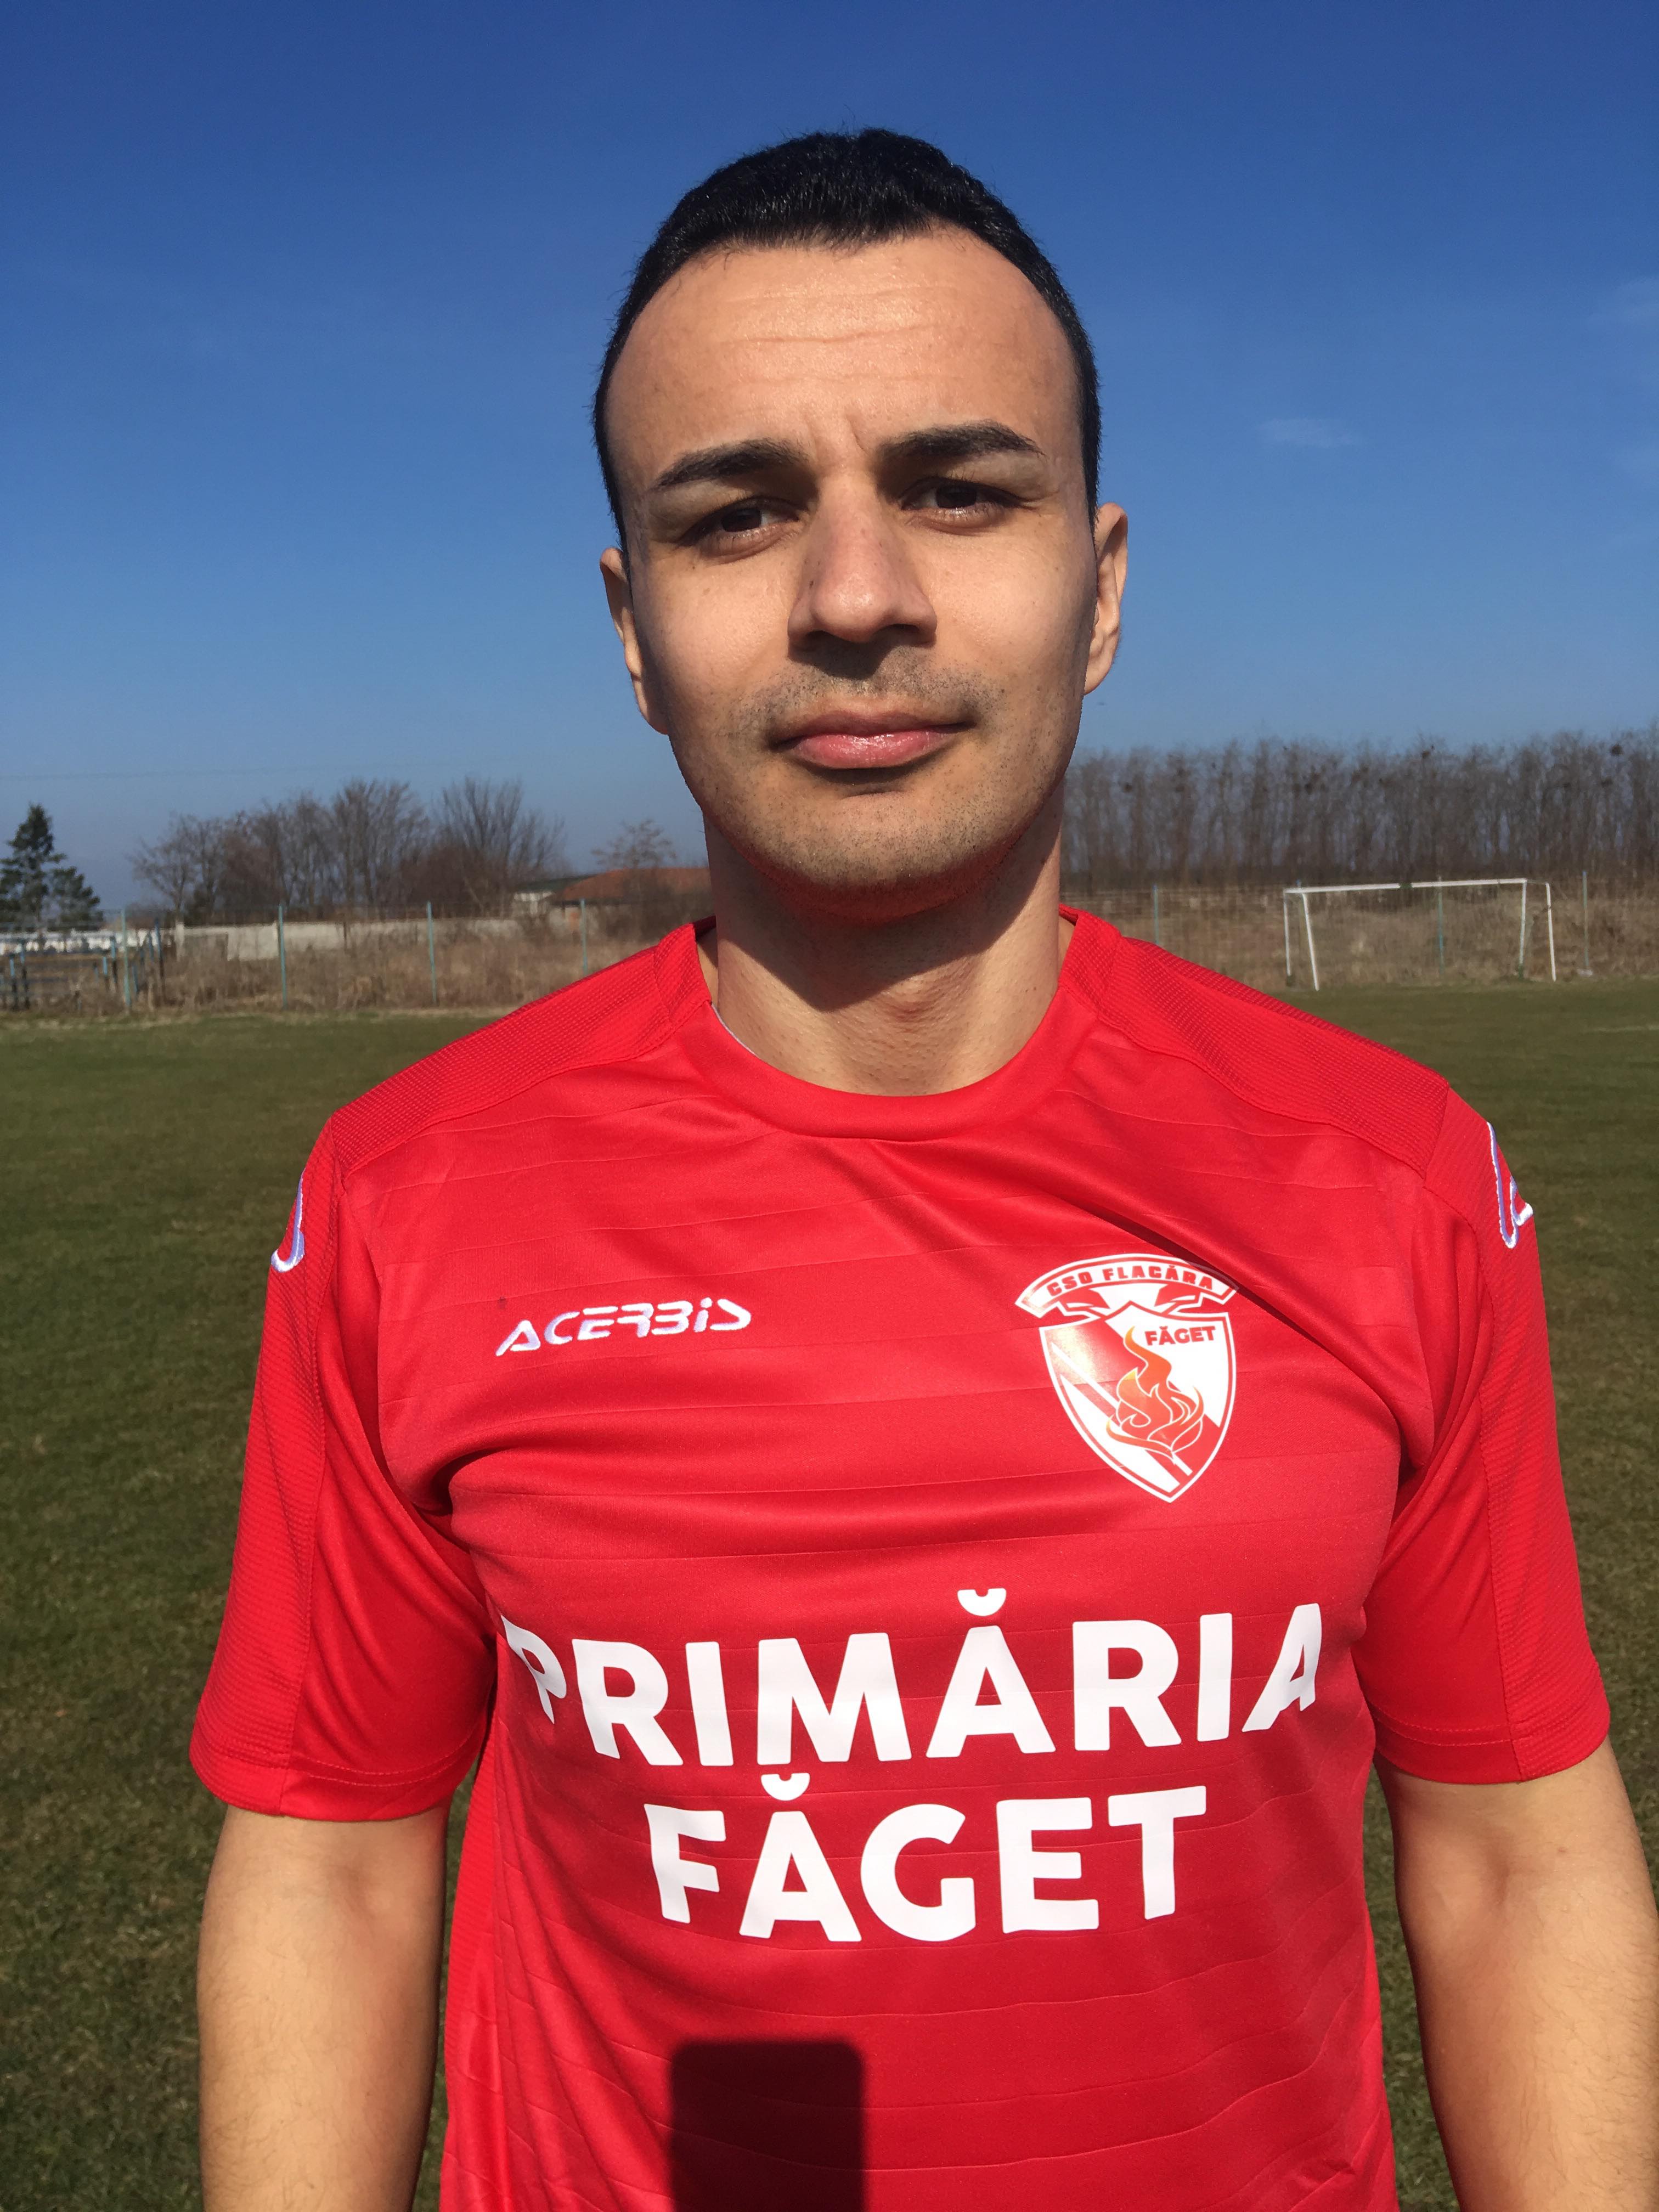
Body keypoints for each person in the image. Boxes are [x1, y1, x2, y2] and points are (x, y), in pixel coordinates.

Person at [193, 129, 1658, 2212]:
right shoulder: (405, 1198)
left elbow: (1518, 1856)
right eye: (736, 514)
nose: (857, 596)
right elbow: (334, 1865)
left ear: (1103, 586)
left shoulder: (1397, 1176)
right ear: (633, 625)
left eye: (960, 490)